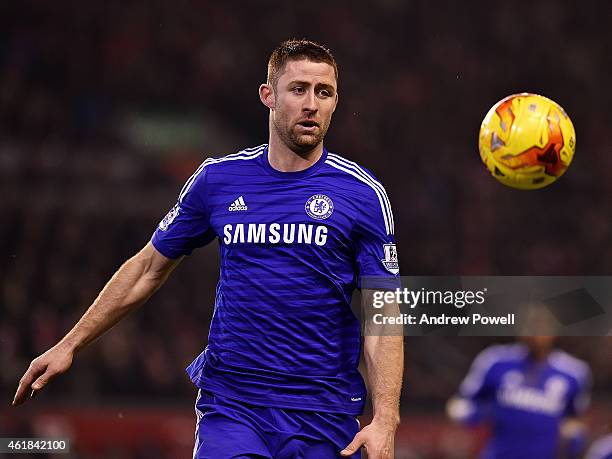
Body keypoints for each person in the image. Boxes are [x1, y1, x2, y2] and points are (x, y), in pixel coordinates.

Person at [13, 39, 403, 459]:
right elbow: (148, 267)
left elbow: (384, 313)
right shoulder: (218, 180)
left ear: (335, 101)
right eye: (298, 89)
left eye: (323, 92)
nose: (311, 103)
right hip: (232, 405)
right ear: (268, 96)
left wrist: (385, 420)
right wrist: (70, 343)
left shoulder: (361, 194)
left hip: (322, 413)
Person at [447, 337, 591, 459]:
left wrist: (573, 436)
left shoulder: (573, 371)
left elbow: (575, 421)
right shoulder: (496, 361)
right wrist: (476, 413)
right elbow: (459, 404)